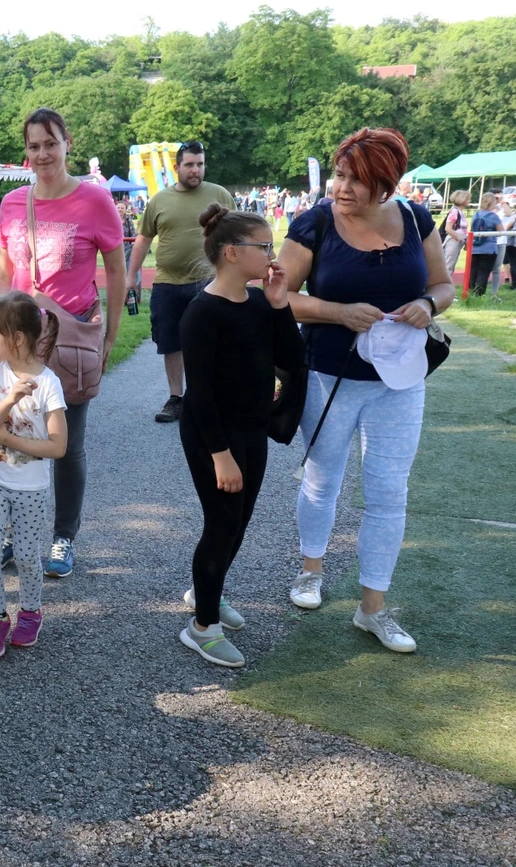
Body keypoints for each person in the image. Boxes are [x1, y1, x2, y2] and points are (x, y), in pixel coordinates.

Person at [276, 127, 454, 653]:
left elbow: (443, 285)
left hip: (400, 381)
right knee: (321, 481)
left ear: (386, 183)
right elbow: (277, 296)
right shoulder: (314, 223)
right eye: (339, 175)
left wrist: (428, 304)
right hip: (327, 376)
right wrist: (338, 312)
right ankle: (310, 571)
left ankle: (372, 608)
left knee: (389, 492)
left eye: (357, 180)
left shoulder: (416, 218)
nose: (342, 187)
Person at [0, 107, 126, 579]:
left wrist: (110, 334)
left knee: (66, 444)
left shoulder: (95, 201)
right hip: (20, 339)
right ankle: (15, 533)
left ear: (67, 143)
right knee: (15, 438)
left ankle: (63, 536)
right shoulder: (12, 203)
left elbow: (116, 271)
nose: (43, 154)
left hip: (70, 338)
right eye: (34, 146)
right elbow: (6, 272)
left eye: (50, 143)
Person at [177, 205, 305, 668]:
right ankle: (202, 628)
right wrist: (221, 455)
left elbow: (292, 359)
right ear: (232, 252)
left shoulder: (258, 302)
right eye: (264, 246)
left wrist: (279, 303)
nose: (273, 253)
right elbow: (199, 394)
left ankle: (205, 593)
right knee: (222, 523)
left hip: (252, 429)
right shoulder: (202, 312)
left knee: (240, 522)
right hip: (213, 434)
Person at [0, 292, 67, 659]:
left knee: (27, 557)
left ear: (17, 339)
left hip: (31, 487)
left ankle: (30, 612)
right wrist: (10, 398)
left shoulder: (49, 384)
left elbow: (58, 446)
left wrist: (9, 439)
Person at [124, 142, 236, 424]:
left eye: (200, 164)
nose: (195, 170)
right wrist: (131, 276)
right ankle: (176, 398)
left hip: (209, 282)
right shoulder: (159, 200)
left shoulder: (219, 195)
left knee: (210, 341)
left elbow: (236, 232)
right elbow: (143, 240)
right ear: (177, 167)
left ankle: (207, 397)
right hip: (167, 283)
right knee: (170, 341)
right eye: (189, 165)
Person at [468, 192, 501, 297]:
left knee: (473, 273)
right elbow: (501, 231)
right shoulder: (494, 216)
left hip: (474, 248)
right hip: (489, 249)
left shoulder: (475, 215)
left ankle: (470, 293)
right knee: (483, 273)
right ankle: (479, 295)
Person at [440, 190, 469, 283]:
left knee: (450, 265)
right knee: (448, 265)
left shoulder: (459, 212)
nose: (469, 201)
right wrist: (459, 237)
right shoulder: (455, 212)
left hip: (457, 241)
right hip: (453, 241)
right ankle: (443, 286)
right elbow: (448, 228)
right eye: (467, 199)